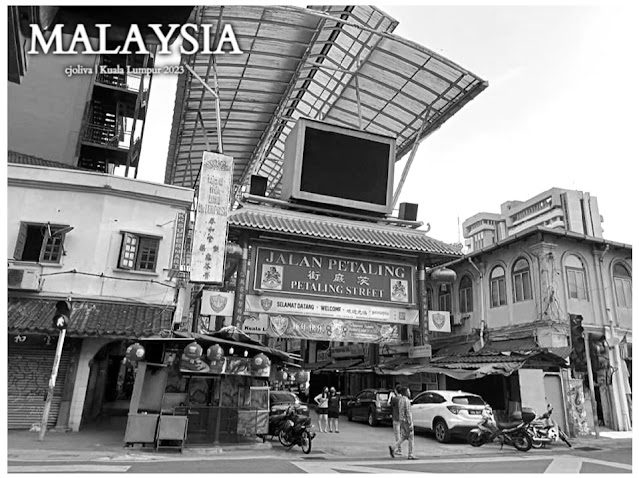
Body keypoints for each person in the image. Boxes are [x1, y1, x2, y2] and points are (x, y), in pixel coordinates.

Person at [389, 387, 416, 460]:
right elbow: (408, 413)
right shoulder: (406, 401)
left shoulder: (401, 400)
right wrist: (410, 423)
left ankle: (393, 447)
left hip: (402, 420)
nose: (409, 392)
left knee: (404, 437)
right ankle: (410, 454)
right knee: (411, 437)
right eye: (408, 391)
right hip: (407, 421)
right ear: (405, 392)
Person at [387, 384, 403, 455]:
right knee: (401, 435)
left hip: (396, 418)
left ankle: (399, 449)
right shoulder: (403, 399)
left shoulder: (394, 399)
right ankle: (398, 449)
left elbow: (388, 404)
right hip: (402, 419)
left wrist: (391, 396)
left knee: (397, 435)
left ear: (396, 391)